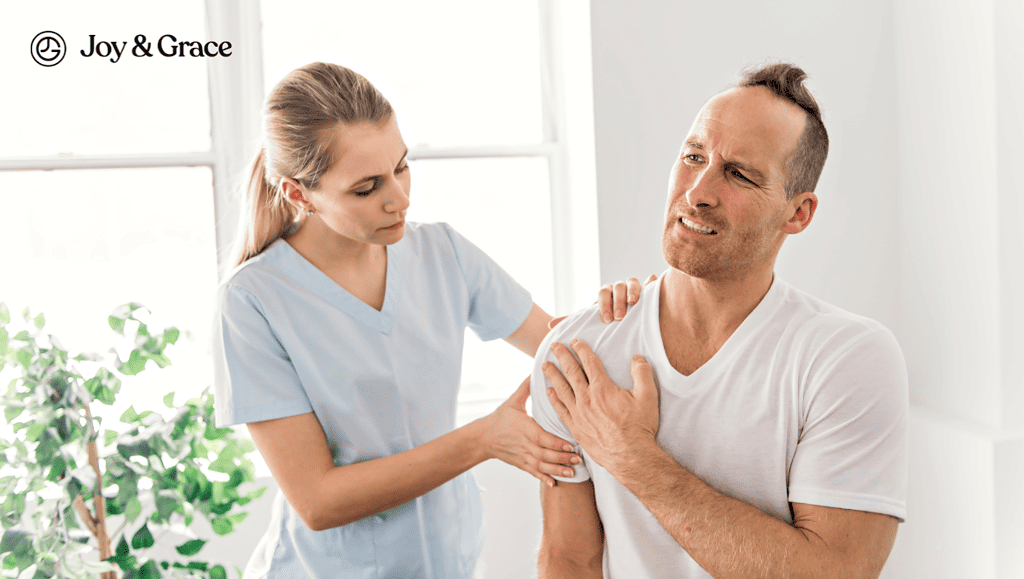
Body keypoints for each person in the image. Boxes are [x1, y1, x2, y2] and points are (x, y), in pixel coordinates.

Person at [210, 62, 639, 578]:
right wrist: (483, 439)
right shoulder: (254, 300)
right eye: (366, 188)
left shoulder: (443, 253)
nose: (400, 198)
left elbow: (563, 349)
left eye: (402, 166)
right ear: (300, 194)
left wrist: (619, 315)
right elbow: (318, 502)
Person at [531, 62, 909, 579]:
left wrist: (634, 457)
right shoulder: (579, 352)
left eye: (738, 174)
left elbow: (836, 572)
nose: (697, 192)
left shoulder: (846, 357)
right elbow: (568, 559)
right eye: (693, 157)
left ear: (797, 213)